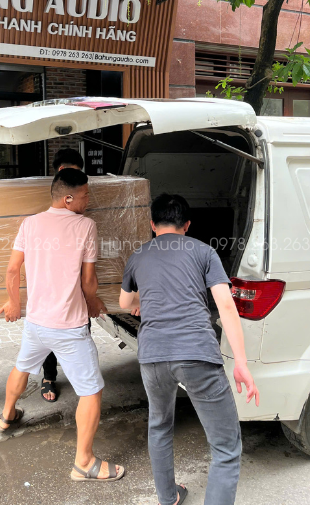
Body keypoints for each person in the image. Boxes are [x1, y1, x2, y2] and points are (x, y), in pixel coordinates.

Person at [120, 194, 259, 505]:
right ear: (187, 225)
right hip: (196, 353)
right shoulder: (204, 251)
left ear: (152, 224)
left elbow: (125, 303)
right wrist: (241, 362)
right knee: (225, 448)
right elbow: (226, 306)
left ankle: (168, 497)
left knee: (159, 426)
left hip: (152, 356)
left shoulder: (138, 256)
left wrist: (147, 300)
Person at [0, 168, 125, 483]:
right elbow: (88, 279)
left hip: (36, 321)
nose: (88, 200)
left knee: (23, 366)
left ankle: (7, 416)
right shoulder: (85, 226)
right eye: (85, 195)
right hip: (69, 327)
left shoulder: (30, 223)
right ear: (68, 199)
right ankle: (84, 463)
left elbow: (12, 269)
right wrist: (93, 302)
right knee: (92, 391)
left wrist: (14, 303)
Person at [41, 147, 85, 403]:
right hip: (50, 278)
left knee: (80, 330)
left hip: (75, 276)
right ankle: (49, 377)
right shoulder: (51, 196)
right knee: (48, 331)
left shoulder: (82, 194)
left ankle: (82, 377)